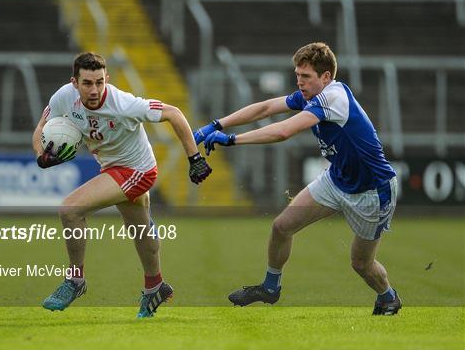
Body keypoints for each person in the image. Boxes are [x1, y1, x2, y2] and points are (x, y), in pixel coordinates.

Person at [194, 42, 401, 315]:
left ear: (326, 77)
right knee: (282, 227)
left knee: (361, 264)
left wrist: (231, 140)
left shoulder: (334, 98)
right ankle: (270, 288)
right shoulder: (311, 96)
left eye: (306, 77)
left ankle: (388, 297)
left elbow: (283, 132)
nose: (300, 83)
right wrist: (217, 124)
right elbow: (266, 108)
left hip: (372, 190)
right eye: (298, 76)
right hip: (337, 180)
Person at [32, 52, 211, 318]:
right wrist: (41, 156)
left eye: (99, 82)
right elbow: (42, 128)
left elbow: (174, 113)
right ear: (74, 82)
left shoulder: (124, 103)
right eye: (87, 83)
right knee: (140, 230)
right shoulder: (63, 97)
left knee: (70, 210)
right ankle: (155, 287)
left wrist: (194, 157)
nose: (94, 90)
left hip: (138, 170)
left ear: (107, 79)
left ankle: (75, 280)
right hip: (111, 167)